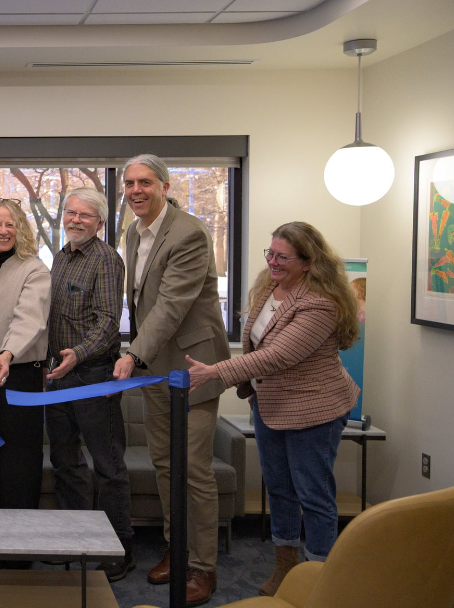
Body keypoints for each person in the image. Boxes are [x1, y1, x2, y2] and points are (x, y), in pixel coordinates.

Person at [186, 222, 360, 597]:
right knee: (279, 490)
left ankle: (318, 580)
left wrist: (215, 371)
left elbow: (278, 355)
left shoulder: (320, 303)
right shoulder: (269, 287)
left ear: (309, 262)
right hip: (270, 405)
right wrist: (251, 392)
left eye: (283, 257)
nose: (273, 262)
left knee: (313, 494)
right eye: (271, 253)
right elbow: (256, 341)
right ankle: (285, 566)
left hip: (316, 410)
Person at [112, 154, 230, 607]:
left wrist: (133, 352)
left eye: (144, 182)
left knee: (193, 470)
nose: (135, 190)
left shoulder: (189, 233)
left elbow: (171, 305)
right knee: (165, 464)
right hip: (155, 370)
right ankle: (176, 548)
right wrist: (142, 355)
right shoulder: (133, 232)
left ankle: (203, 567)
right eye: (129, 183)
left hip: (192, 369)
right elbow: (143, 302)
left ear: (164, 184)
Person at [45, 188, 135, 582]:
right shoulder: (60, 257)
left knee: (108, 466)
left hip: (93, 375)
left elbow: (107, 322)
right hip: (57, 377)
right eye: (70, 212)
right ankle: (75, 541)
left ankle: (118, 552)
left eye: (85, 215)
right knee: (65, 463)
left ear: (100, 222)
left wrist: (77, 355)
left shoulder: (106, 259)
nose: (75, 219)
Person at [0, 198, 51, 569]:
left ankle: (18, 554)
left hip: (19, 376)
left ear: (22, 229)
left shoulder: (35, 270)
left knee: (17, 466)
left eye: (10, 224)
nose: (2, 231)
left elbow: (28, 320)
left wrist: (6, 355)